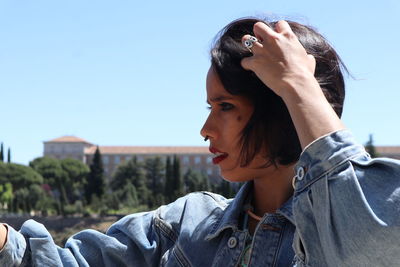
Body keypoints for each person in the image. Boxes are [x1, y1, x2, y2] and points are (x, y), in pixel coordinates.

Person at [1, 17, 400, 266]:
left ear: (282, 107)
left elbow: (382, 237)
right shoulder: (185, 226)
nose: (205, 129)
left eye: (224, 106)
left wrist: (300, 87)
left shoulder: (332, 237)